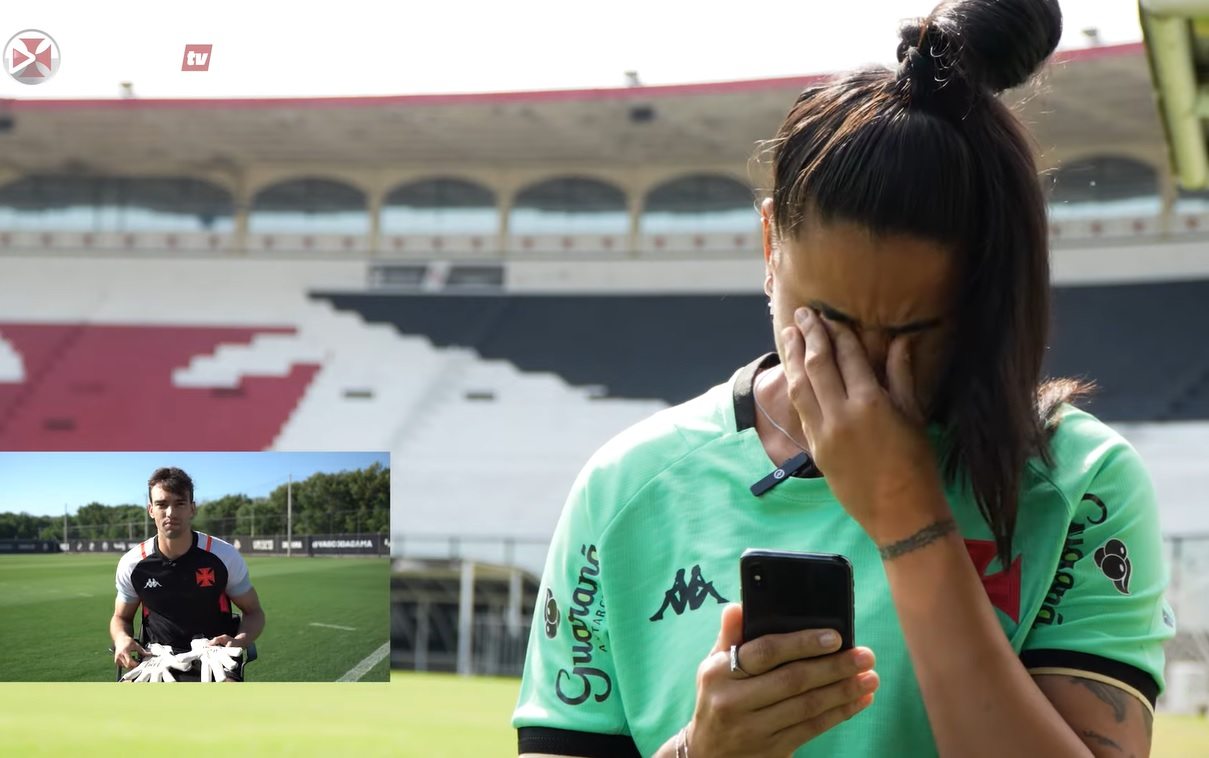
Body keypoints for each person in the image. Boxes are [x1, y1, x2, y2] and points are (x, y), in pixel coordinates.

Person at [512, 0, 1174, 755]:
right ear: (769, 242)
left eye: (910, 333)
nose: (855, 368)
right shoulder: (626, 487)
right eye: (824, 320)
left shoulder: (1077, 484)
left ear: (982, 299)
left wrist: (907, 520)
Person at [110, 467, 266, 682]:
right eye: (162, 504)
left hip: (214, 656)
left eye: (179, 503)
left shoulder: (223, 555)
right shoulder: (133, 563)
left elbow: (254, 612)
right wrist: (121, 639)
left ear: (192, 509)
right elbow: (121, 617)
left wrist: (239, 641)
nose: (171, 513)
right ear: (150, 510)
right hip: (156, 657)